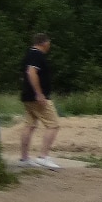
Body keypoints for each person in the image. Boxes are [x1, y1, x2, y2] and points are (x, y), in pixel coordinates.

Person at [19, 33, 60, 169]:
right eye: (49, 42)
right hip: (37, 97)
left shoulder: (29, 54)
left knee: (29, 125)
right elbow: (31, 72)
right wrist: (39, 93)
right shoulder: (37, 55)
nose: (49, 45)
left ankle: (24, 158)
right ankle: (43, 156)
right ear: (44, 42)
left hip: (27, 96)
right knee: (53, 124)